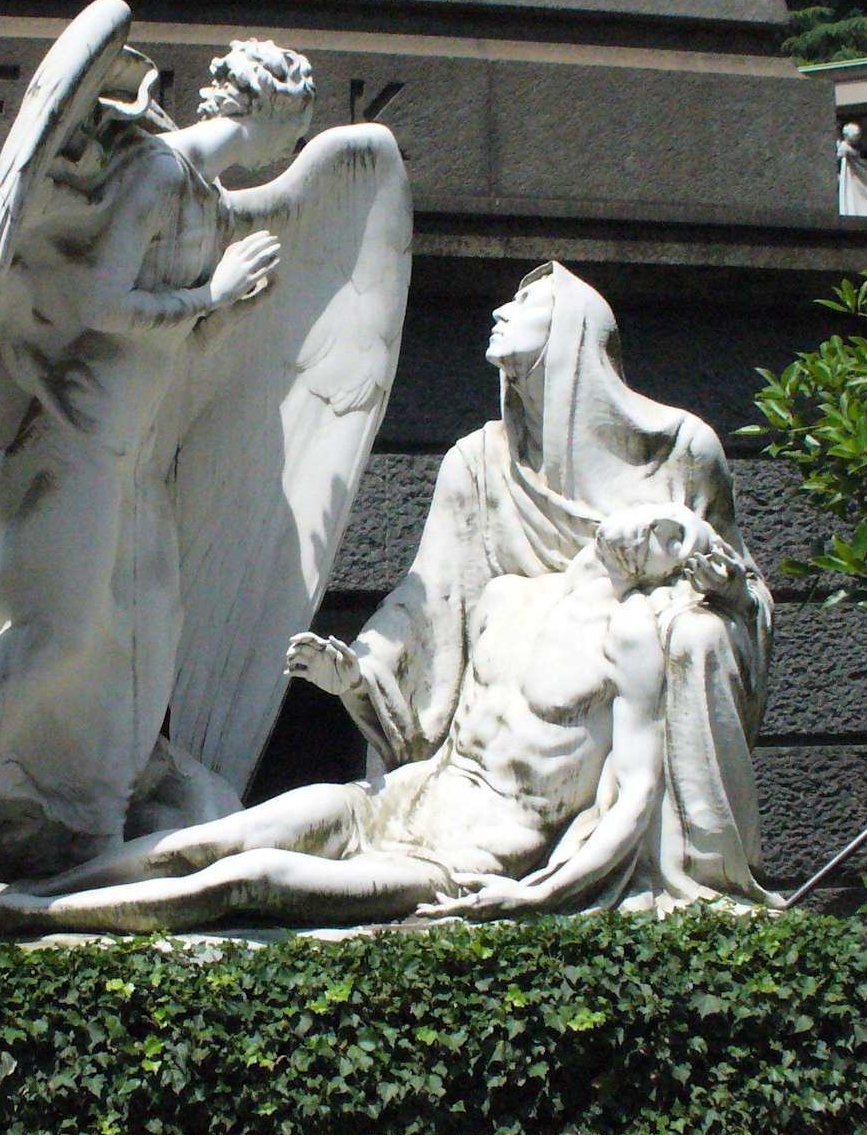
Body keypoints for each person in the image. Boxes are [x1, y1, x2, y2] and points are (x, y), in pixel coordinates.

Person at [0, 40, 314, 894]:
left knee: (129, 652)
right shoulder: (155, 172)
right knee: (59, 637)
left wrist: (221, 313)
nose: (288, 151)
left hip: (133, 459)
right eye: (293, 130)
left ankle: (77, 825)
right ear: (269, 113)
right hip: (83, 439)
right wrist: (213, 296)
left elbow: (168, 338)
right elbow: (97, 302)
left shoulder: (208, 199)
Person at [0, 505, 760, 933]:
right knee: (207, 842)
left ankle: (17, 914)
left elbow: (634, 794)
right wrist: (352, 685)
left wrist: (539, 893)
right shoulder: (509, 598)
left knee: (246, 879)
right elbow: (427, 732)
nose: (654, 530)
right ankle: (28, 892)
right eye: (661, 514)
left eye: (674, 540)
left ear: (670, 575)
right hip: (395, 803)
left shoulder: (629, 640)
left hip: (457, 860)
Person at [285, 263, 775, 910]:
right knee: (267, 846)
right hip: (460, 782)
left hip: (568, 775)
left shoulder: (680, 450)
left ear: (574, 330)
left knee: (701, 633)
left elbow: (746, 600)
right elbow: (429, 601)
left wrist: (724, 594)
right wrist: (363, 673)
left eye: (526, 302)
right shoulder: (479, 465)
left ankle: (684, 872)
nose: (500, 311)